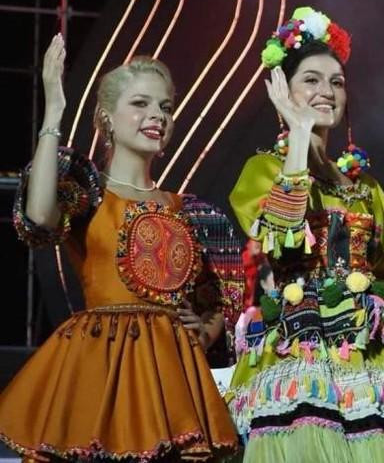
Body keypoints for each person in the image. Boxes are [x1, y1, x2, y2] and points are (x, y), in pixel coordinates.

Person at [0, 34, 244, 461]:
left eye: (165, 107)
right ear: (107, 117)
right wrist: (54, 108)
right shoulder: (87, 193)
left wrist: (201, 331)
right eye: (141, 104)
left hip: (170, 380)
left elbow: (222, 299)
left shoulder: (188, 210)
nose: (157, 115)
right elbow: (39, 216)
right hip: (98, 367)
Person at [225, 7, 384, 462]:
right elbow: (286, 237)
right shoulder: (264, 170)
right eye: (311, 80)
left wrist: (383, 313)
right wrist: (298, 135)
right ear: (283, 90)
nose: (327, 91)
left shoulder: (364, 188)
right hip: (300, 354)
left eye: (336, 82)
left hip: (365, 364)